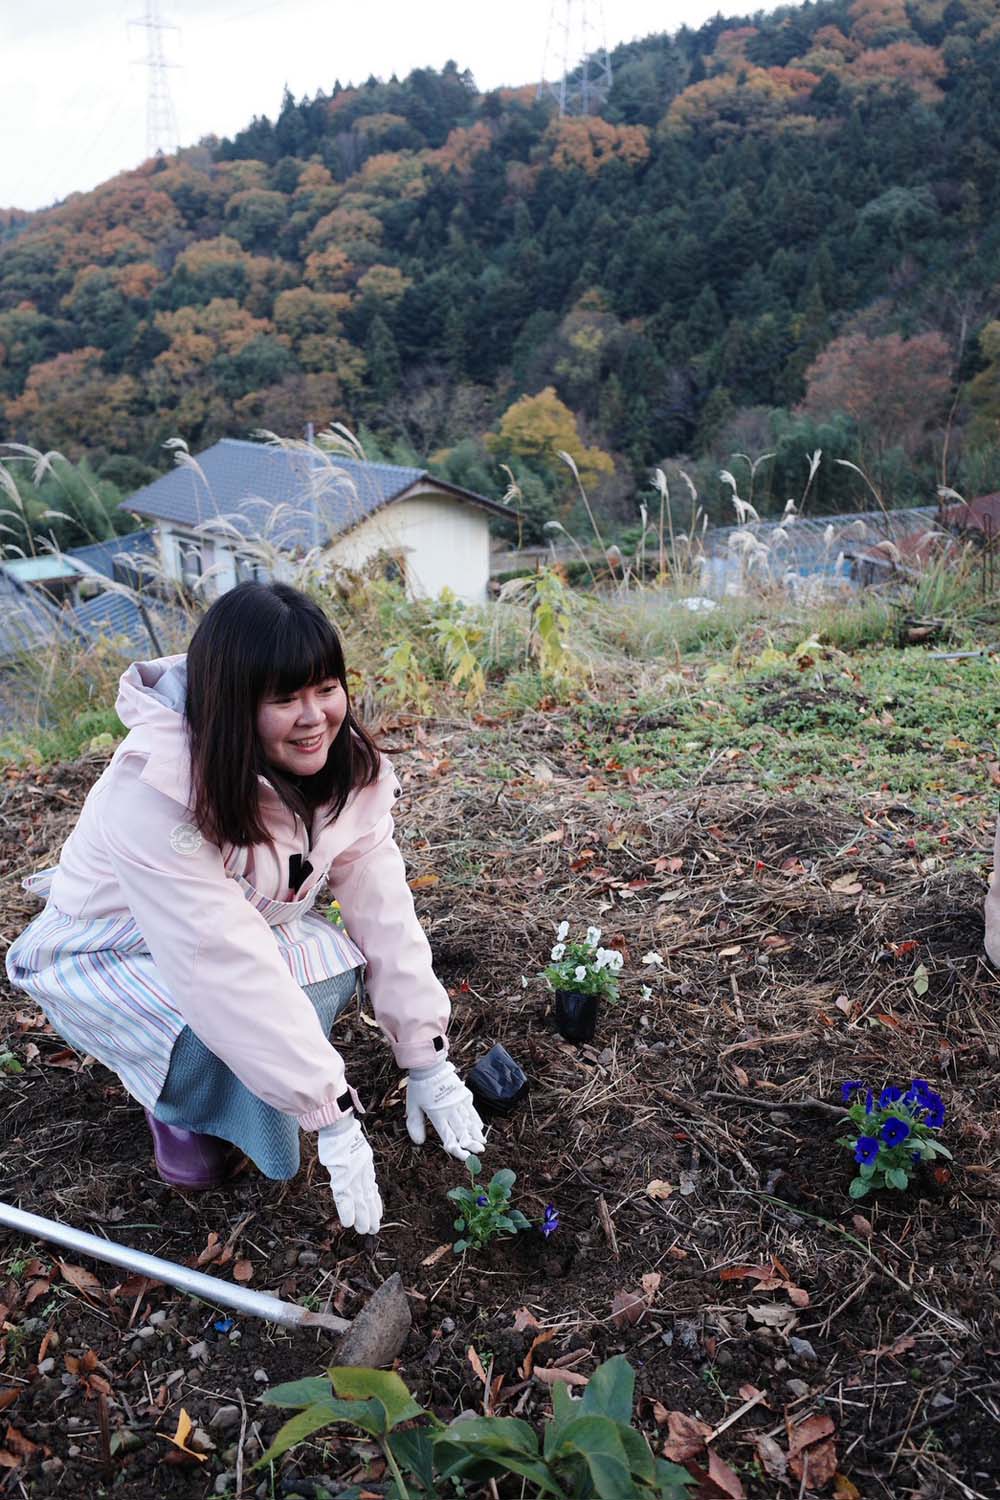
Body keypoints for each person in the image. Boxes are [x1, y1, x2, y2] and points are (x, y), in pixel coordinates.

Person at [5, 582, 485, 1236]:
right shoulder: (152, 798)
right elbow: (219, 962)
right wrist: (331, 1113)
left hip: (231, 923)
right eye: (284, 698)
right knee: (227, 1019)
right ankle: (177, 1104)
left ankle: (234, 1092)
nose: (314, 715)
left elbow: (384, 913)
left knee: (331, 967)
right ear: (232, 705)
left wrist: (427, 1054)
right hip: (106, 951)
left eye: (325, 688)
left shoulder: (341, 771)